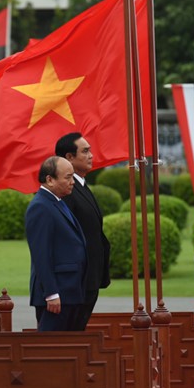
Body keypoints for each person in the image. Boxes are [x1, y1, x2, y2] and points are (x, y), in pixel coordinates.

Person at [55, 132, 111, 331]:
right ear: (69, 158)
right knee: (69, 337)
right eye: (85, 151)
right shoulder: (66, 191)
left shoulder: (82, 186)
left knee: (78, 333)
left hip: (90, 277)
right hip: (76, 281)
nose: (91, 155)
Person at [26, 156, 87, 331]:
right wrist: (51, 293)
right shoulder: (41, 206)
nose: (72, 182)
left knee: (67, 349)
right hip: (56, 297)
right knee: (51, 350)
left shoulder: (56, 201)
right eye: (67, 177)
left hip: (69, 291)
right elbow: (41, 255)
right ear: (50, 179)